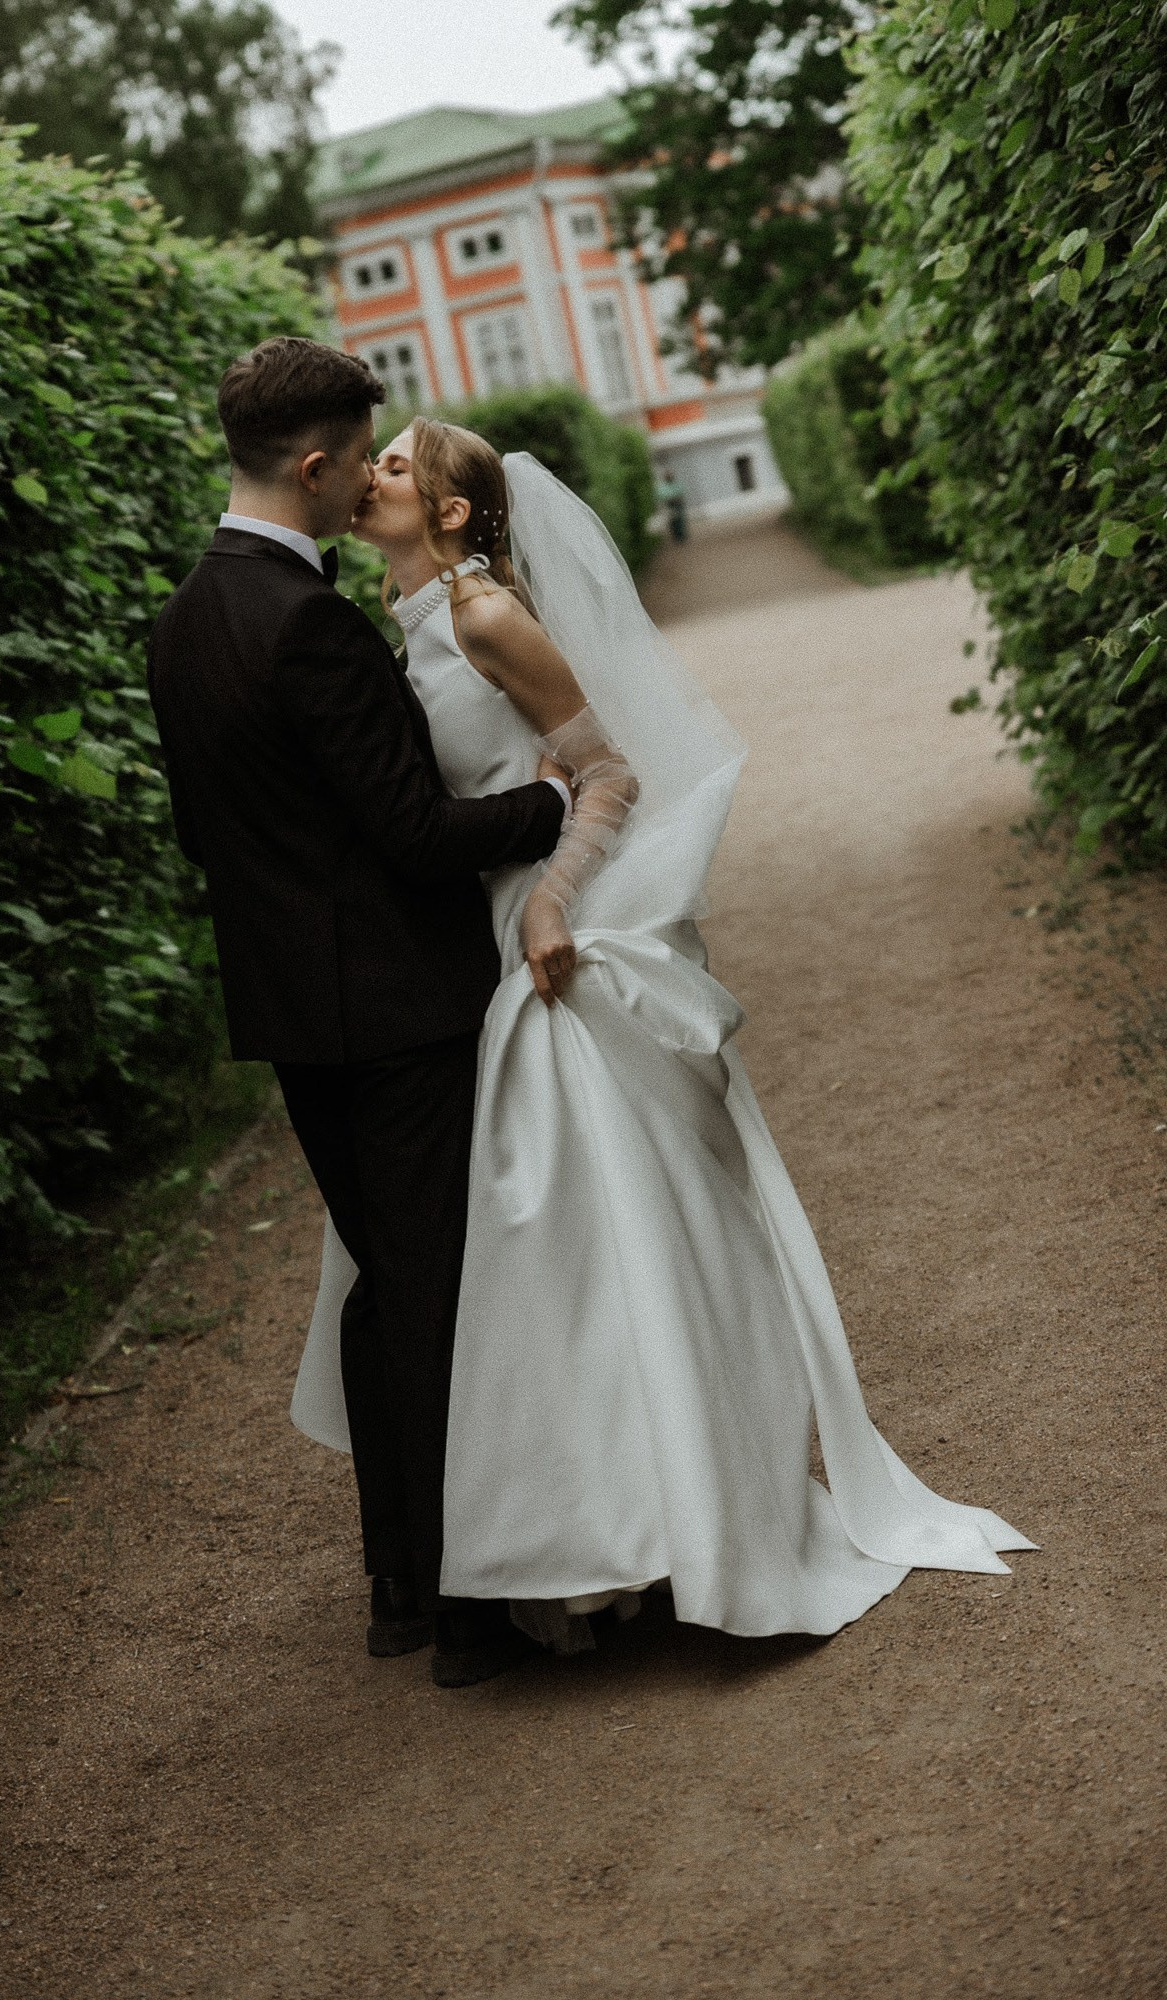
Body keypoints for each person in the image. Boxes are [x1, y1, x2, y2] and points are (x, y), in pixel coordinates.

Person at [293, 417, 1034, 1657]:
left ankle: (664, 1527)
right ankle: (582, 1542)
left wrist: (548, 900)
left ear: (452, 512)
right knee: (526, 1258)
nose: (370, 474)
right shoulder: (402, 618)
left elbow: (610, 771)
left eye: (396, 464)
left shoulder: (485, 617)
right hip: (463, 947)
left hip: (542, 936)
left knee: (587, 1232)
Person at [147, 340, 575, 1688]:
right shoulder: (313, 623)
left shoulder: (181, 621)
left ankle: (397, 1580)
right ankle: (473, 1613)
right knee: (437, 1287)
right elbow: (414, 834)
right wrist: (551, 805)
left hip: (289, 1009)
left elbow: (203, 836)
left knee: (380, 1287)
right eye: (355, 467)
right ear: (317, 462)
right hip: (399, 1004)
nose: (360, 493)